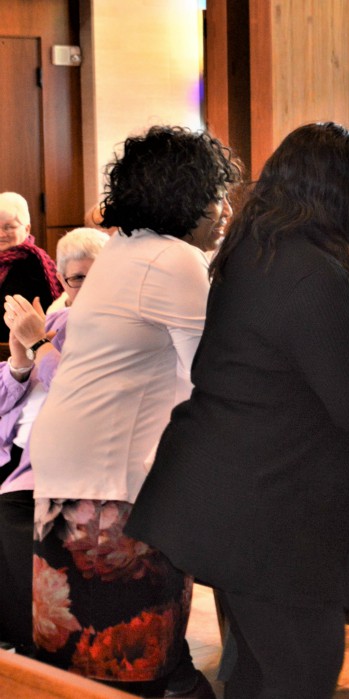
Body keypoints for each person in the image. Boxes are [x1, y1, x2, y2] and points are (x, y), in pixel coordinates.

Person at [125, 122, 349, 699]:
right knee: (303, 668)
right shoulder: (312, 273)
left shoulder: (254, 249)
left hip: (233, 491)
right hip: (272, 508)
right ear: (338, 195)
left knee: (255, 669)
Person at [27, 126, 240, 695]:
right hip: (107, 474)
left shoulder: (127, 247)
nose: (225, 208)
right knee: (128, 654)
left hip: (76, 459)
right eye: (217, 193)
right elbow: (215, 375)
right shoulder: (172, 260)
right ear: (184, 195)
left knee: (86, 651)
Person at [0, 228, 108, 654]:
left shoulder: (119, 332)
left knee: (11, 520)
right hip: (21, 460)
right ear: (62, 283)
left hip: (66, 472)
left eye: (94, 275)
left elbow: (77, 394)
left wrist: (40, 345)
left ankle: (37, 656)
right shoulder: (57, 321)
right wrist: (20, 362)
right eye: (75, 279)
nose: (85, 286)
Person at [0, 192, 62, 340]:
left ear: (27, 229)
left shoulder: (36, 262)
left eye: (9, 227)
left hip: (21, 347)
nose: (1, 234)